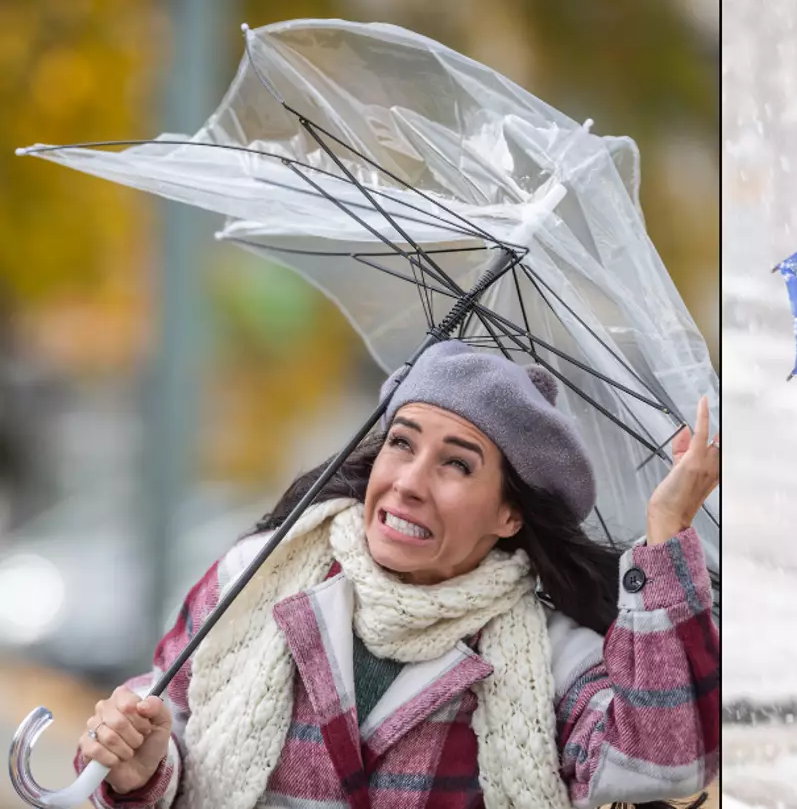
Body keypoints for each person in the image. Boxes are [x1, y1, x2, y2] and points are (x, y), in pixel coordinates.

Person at [75, 340, 719, 809]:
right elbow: (171, 736)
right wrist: (140, 769)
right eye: (402, 443)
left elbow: (664, 761)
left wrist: (667, 529)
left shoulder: (554, 661)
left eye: (457, 465)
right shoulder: (255, 579)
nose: (408, 483)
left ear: (510, 513)